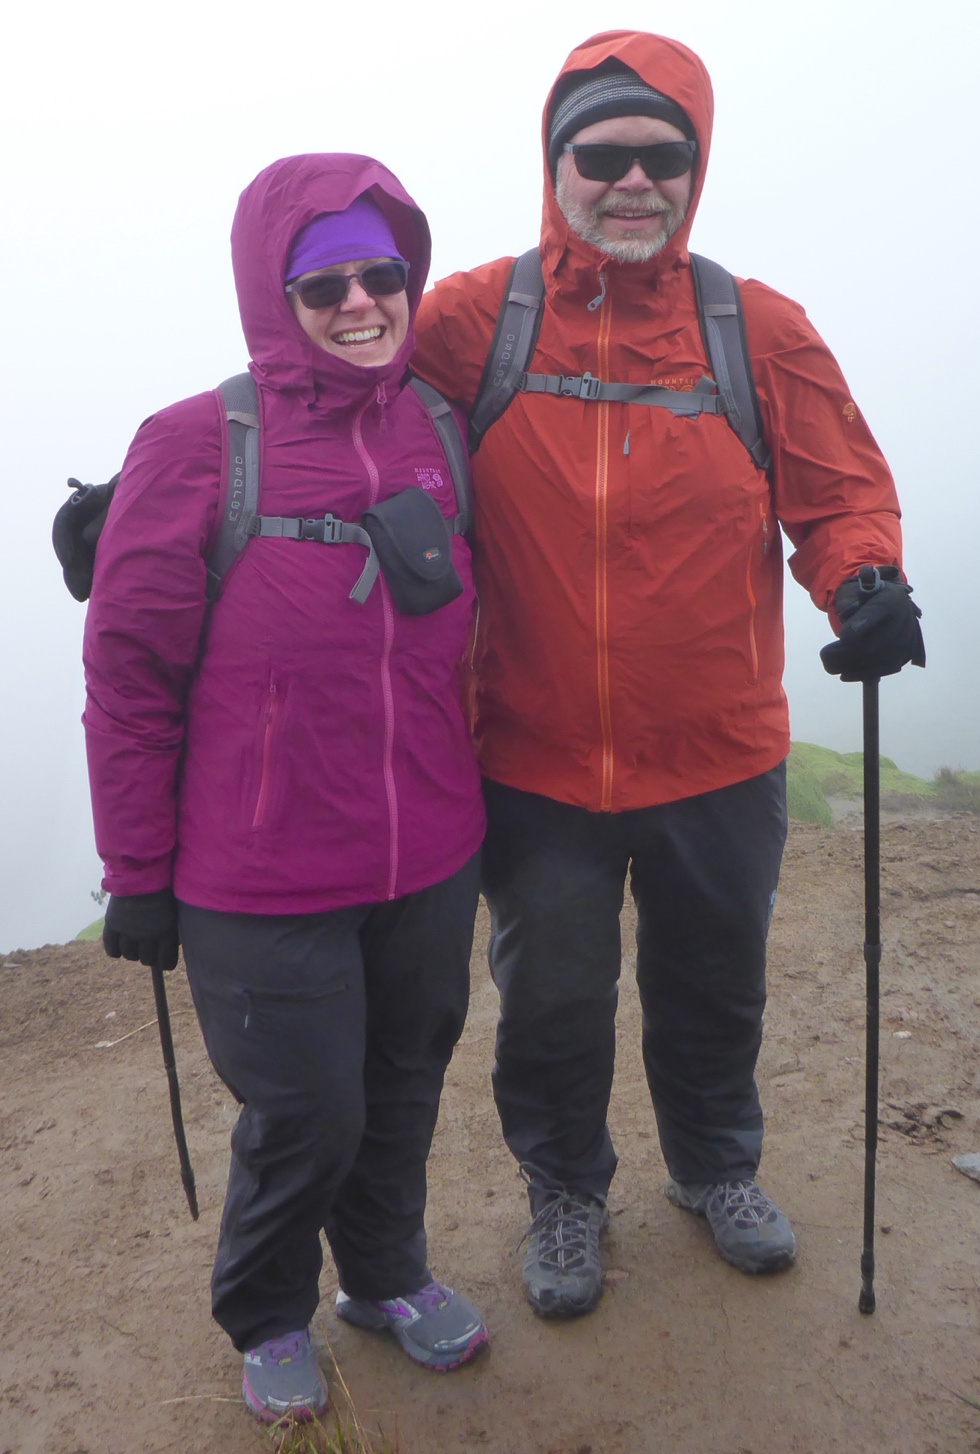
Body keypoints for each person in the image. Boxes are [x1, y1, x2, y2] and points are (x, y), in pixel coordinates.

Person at [412, 31, 925, 1319]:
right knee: (552, 999)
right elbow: (332, 412)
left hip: (718, 749)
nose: (634, 181)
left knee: (712, 981)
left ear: (697, 171)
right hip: (529, 751)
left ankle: (713, 1166)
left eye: (665, 157)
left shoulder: (755, 327)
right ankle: (566, 1192)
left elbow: (840, 493)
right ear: (555, 163)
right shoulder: (473, 321)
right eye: (604, 155)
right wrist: (168, 495)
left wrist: (863, 580)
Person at [83, 153, 489, 1424]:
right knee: (308, 1109)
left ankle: (384, 1276)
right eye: (327, 283)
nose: (363, 302)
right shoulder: (199, 441)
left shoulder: (437, 426)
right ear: (275, 291)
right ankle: (265, 1311)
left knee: (406, 1082)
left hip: (428, 846)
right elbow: (131, 675)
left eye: (383, 275)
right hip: (257, 874)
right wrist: (138, 873)